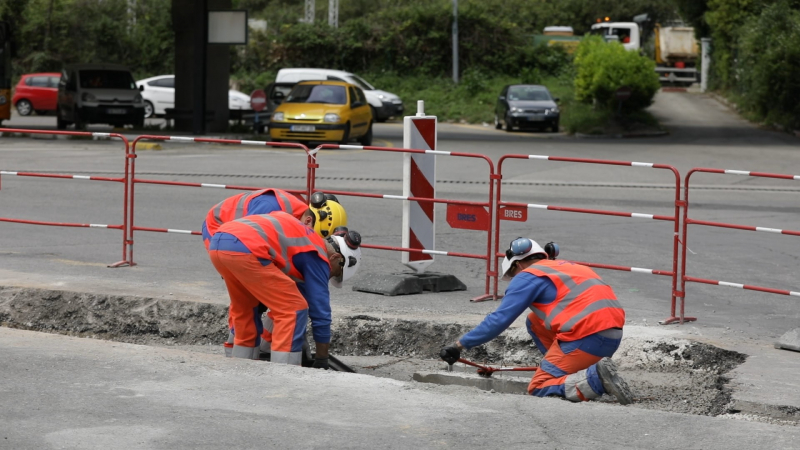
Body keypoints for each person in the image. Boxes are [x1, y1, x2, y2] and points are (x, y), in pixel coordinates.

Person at [440, 237, 633, 404]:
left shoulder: (528, 275)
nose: (514, 279)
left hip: (587, 338)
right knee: (534, 320)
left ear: (518, 264)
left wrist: (459, 346)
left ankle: (596, 380)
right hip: (612, 336)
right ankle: (567, 371)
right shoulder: (568, 267)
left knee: (538, 386)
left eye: (512, 274)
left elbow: (499, 319)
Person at [208, 210, 362, 366]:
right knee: (293, 308)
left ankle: (238, 367)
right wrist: (322, 358)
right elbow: (320, 312)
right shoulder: (318, 253)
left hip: (219, 242)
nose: (328, 277)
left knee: (247, 307)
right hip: (248, 247)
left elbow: (296, 290)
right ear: (335, 258)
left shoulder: (304, 239)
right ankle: (284, 374)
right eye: (335, 273)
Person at [202, 189, 348, 249]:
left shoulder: (297, 213)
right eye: (310, 234)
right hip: (217, 229)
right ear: (308, 221)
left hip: (232, 231)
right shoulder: (271, 207)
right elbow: (246, 238)